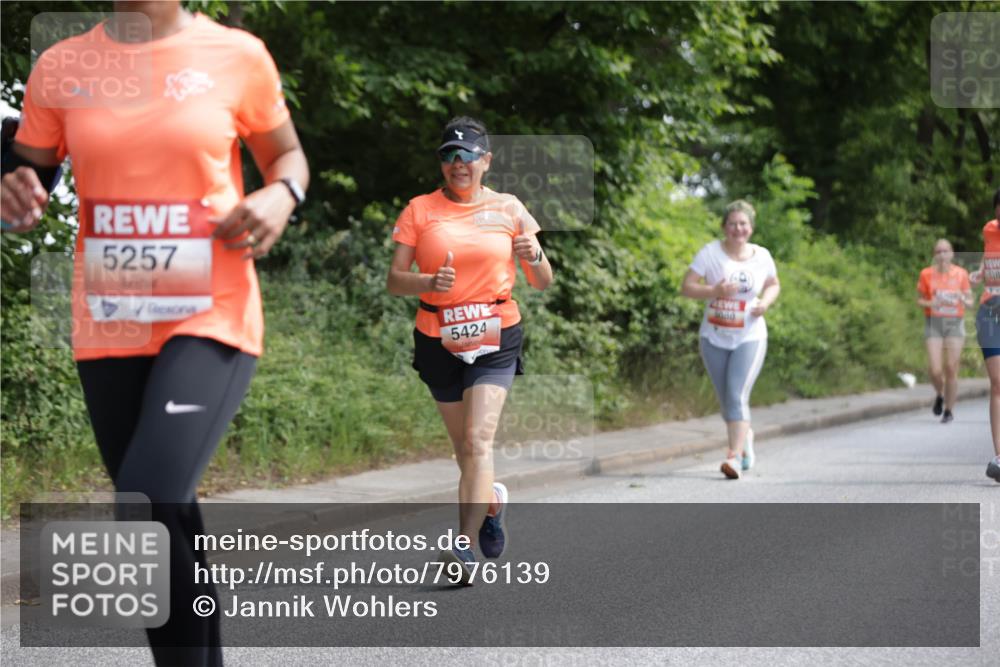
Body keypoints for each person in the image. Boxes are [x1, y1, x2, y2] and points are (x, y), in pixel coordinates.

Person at [0, 2, 309, 663]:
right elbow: (28, 169)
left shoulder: (237, 55)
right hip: (111, 318)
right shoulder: (63, 65)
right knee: (168, 514)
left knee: (147, 497)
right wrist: (15, 192)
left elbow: (287, 156)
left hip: (212, 309)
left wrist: (282, 195)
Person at [386, 117, 553, 582]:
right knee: (465, 450)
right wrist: (426, 281)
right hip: (437, 335)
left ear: (486, 161)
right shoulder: (419, 210)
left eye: (466, 155)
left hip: (496, 332)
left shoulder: (509, 207)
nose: (457, 164)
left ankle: (462, 550)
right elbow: (394, 280)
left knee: (479, 440)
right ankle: (492, 503)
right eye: (448, 156)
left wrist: (532, 253)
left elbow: (543, 281)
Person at [681, 200, 780, 480]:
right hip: (713, 337)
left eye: (743, 224)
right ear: (724, 226)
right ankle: (744, 437)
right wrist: (715, 289)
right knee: (726, 400)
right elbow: (686, 287)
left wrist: (765, 304)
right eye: (733, 223)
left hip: (750, 336)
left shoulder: (762, 256)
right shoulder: (710, 253)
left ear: (751, 227)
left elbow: (773, 284)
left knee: (737, 395)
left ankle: (733, 457)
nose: (738, 229)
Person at [916, 239, 972, 423]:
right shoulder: (926, 274)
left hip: (955, 323)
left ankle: (948, 410)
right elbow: (920, 300)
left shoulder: (961, 274)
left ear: (952, 253)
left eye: (945, 251)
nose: (942, 255)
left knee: (951, 368)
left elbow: (970, 301)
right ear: (934, 255)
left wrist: (963, 299)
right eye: (938, 252)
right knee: (935, 369)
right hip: (934, 323)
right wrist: (934, 302)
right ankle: (940, 393)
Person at [969, 188, 1000, 483]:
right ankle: (999, 457)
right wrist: (980, 273)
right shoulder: (989, 230)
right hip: (990, 308)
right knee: (997, 382)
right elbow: (989, 256)